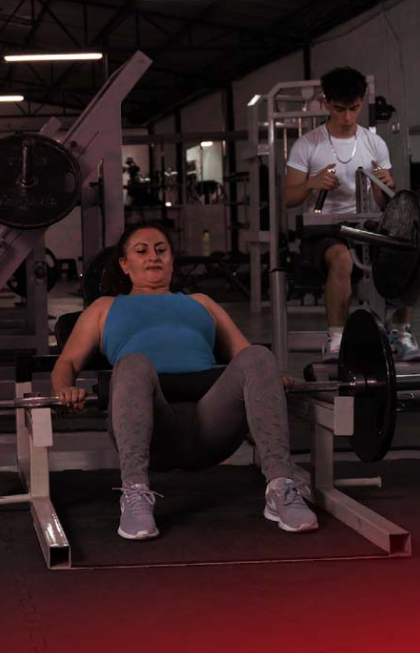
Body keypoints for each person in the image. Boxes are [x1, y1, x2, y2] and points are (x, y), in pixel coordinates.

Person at [53, 222, 317, 542]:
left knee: (260, 356)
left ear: (172, 260)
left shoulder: (201, 302)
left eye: (161, 250)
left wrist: (269, 382)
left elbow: (245, 356)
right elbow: (65, 363)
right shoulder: (104, 307)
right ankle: (135, 495)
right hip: (151, 429)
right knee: (134, 364)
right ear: (125, 264)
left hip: (211, 424)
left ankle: (280, 488)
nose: (153, 257)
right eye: (142, 251)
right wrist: (63, 388)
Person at [283, 66, 420, 362]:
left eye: (354, 108)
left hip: (368, 226)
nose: (347, 117)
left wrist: (385, 186)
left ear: (362, 102)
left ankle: (401, 333)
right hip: (325, 231)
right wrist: (311, 183)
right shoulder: (307, 144)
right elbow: (288, 198)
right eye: (339, 109)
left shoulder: (375, 144)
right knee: (342, 258)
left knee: (407, 250)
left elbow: (386, 204)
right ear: (326, 103)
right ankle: (336, 338)